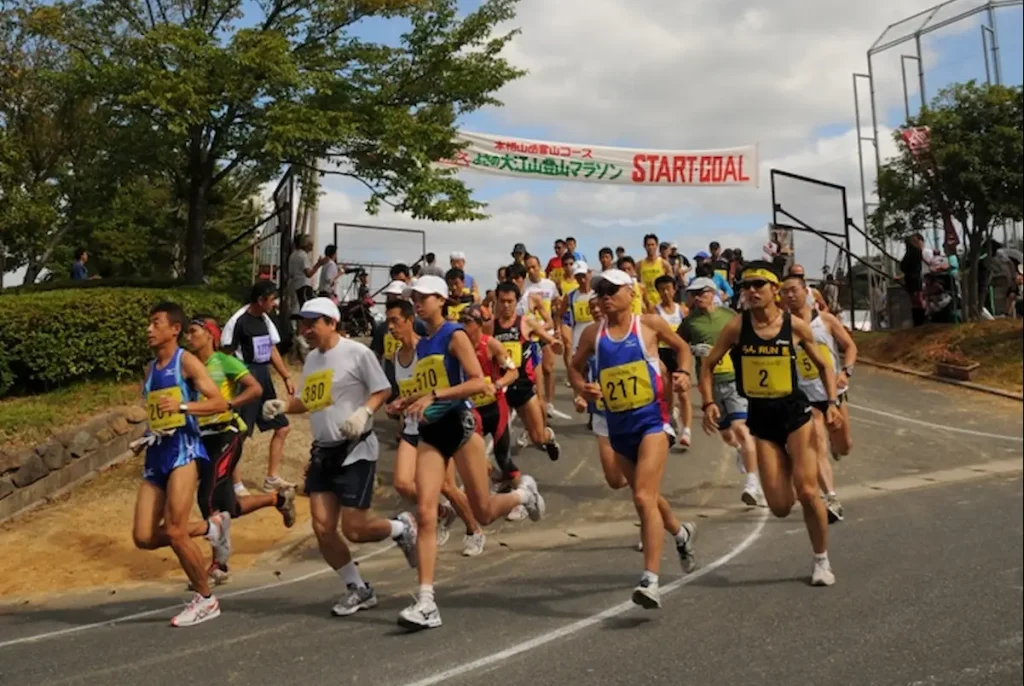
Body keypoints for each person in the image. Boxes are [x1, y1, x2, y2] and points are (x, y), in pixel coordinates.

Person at [390, 276, 545, 630]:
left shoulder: (454, 334)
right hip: (431, 433)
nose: (417, 301)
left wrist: (434, 396)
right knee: (427, 512)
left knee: (485, 511)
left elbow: (478, 382)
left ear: (441, 300)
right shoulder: (425, 342)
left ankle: (523, 493)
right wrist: (408, 401)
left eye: (423, 297)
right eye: (414, 297)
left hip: (460, 425)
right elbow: (430, 388)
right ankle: (427, 601)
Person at [261, 297, 419, 617]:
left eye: (312, 323)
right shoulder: (313, 360)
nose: (305, 330)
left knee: (356, 529)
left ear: (331, 323)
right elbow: (308, 400)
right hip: (323, 450)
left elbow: (383, 389)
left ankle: (401, 529)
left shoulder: (356, 353)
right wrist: (283, 406)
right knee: (322, 527)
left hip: (356, 449)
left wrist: (364, 413)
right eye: (302, 324)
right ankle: (358, 588)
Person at [698, 261, 841, 587]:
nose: (751, 290)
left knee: (807, 492)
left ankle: (821, 560)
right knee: (778, 506)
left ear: (774, 290)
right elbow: (707, 365)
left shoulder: (795, 326)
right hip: (761, 419)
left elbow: (824, 364)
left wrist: (832, 402)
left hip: (795, 414)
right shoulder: (737, 327)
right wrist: (708, 403)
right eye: (746, 285)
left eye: (758, 284)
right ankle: (787, 468)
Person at [569, 269, 697, 609]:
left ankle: (650, 580)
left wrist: (683, 373)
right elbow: (575, 366)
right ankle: (681, 534)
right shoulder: (593, 334)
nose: (604, 295)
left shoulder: (650, 325)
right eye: (600, 291)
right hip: (618, 427)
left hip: (652, 421)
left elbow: (682, 348)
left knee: (642, 496)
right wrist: (583, 388)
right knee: (649, 497)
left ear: (631, 292)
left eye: (611, 289)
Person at [131, 301, 230, 627]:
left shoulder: (185, 361)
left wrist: (185, 406)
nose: (149, 328)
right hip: (156, 454)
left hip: (184, 453)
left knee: (174, 530)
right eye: (149, 323)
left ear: (174, 329)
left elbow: (218, 402)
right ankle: (209, 527)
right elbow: (159, 413)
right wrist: (145, 436)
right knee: (144, 536)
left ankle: (205, 599)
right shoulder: (150, 368)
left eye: (155, 322)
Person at [184, 317, 297, 584]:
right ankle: (278, 500)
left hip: (227, 433)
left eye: (194, 331)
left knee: (208, 497)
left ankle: (219, 566)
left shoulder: (225, 361)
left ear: (210, 335)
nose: (189, 337)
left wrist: (230, 404)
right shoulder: (188, 365)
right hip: (201, 438)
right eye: (187, 332)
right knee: (229, 508)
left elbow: (255, 388)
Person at [385, 299, 483, 557]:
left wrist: (429, 399)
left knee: (448, 487)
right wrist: (399, 405)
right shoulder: (396, 356)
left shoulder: (425, 348)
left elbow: (437, 386)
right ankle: (441, 512)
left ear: (408, 320)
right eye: (388, 322)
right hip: (411, 424)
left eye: (395, 321)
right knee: (402, 483)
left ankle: (474, 529)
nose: (391, 327)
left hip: (438, 420)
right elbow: (409, 390)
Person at [780, 274, 857, 523]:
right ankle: (831, 498)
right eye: (785, 292)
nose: (790, 296)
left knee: (844, 446)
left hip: (834, 393)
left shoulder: (826, 320)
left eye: (794, 290)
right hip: (806, 398)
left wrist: (846, 371)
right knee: (817, 445)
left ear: (806, 292)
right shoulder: (784, 326)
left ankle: (839, 446)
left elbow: (850, 346)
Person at [680, 277, 763, 507]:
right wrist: (691, 350)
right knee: (727, 435)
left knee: (742, 429)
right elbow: (676, 347)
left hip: (736, 381)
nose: (697, 297)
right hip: (710, 385)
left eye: (701, 292)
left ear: (712, 292)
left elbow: (747, 338)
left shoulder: (730, 316)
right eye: (693, 294)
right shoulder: (689, 323)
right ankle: (740, 450)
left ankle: (752, 483)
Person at [221, 280, 294, 493]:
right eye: (272, 299)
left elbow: (271, 349)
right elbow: (225, 354)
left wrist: (286, 376)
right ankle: (234, 483)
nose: (275, 303)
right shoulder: (239, 322)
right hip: (246, 378)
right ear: (261, 300)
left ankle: (272, 478)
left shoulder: (265, 320)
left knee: (282, 426)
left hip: (264, 377)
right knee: (240, 432)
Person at [486, 280, 562, 462]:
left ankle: (549, 437)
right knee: (499, 437)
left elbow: (546, 337)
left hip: (523, 386)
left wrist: (555, 343)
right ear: (496, 301)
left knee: (537, 437)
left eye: (510, 301)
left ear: (516, 301)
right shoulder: (490, 326)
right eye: (502, 301)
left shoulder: (526, 322)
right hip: (501, 387)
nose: (505, 305)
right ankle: (506, 475)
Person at [653, 275, 690, 447]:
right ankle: (670, 420)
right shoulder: (655, 312)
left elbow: (688, 333)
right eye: (662, 289)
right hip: (663, 353)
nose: (666, 292)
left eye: (668, 288)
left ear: (674, 289)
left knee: (683, 392)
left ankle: (687, 430)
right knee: (667, 392)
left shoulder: (682, 310)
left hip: (679, 352)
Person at [288, 234, 328, 307]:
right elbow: (308, 273)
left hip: (294, 284)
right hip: (303, 285)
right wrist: (319, 264)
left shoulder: (294, 254)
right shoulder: (303, 256)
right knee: (306, 306)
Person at [639, 234, 673, 308]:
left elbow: (671, 285)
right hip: (645, 303)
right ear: (644, 246)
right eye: (648, 245)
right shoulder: (639, 264)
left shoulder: (664, 264)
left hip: (660, 302)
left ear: (656, 245)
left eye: (652, 244)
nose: (650, 247)